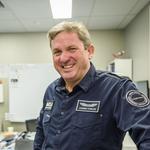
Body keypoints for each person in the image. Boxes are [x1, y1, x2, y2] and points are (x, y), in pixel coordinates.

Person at [33, 21, 150, 150]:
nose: (64, 58)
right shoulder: (51, 90)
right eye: (57, 52)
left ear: (89, 51)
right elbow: (41, 134)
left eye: (72, 49)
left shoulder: (117, 89)